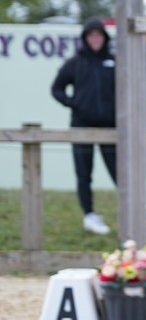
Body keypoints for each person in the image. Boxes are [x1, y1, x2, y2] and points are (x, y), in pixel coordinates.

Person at [50, 18, 117, 235]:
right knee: (84, 173)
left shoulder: (114, 62)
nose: (95, 39)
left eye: (99, 35)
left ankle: (133, 212)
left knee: (120, 172)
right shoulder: (75, 63)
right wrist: (75, 104)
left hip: (110, 126)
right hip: (82, 125)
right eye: (91, 35)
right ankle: (89, 214)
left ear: (104, 38)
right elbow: (57, 89)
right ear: (85, 38)